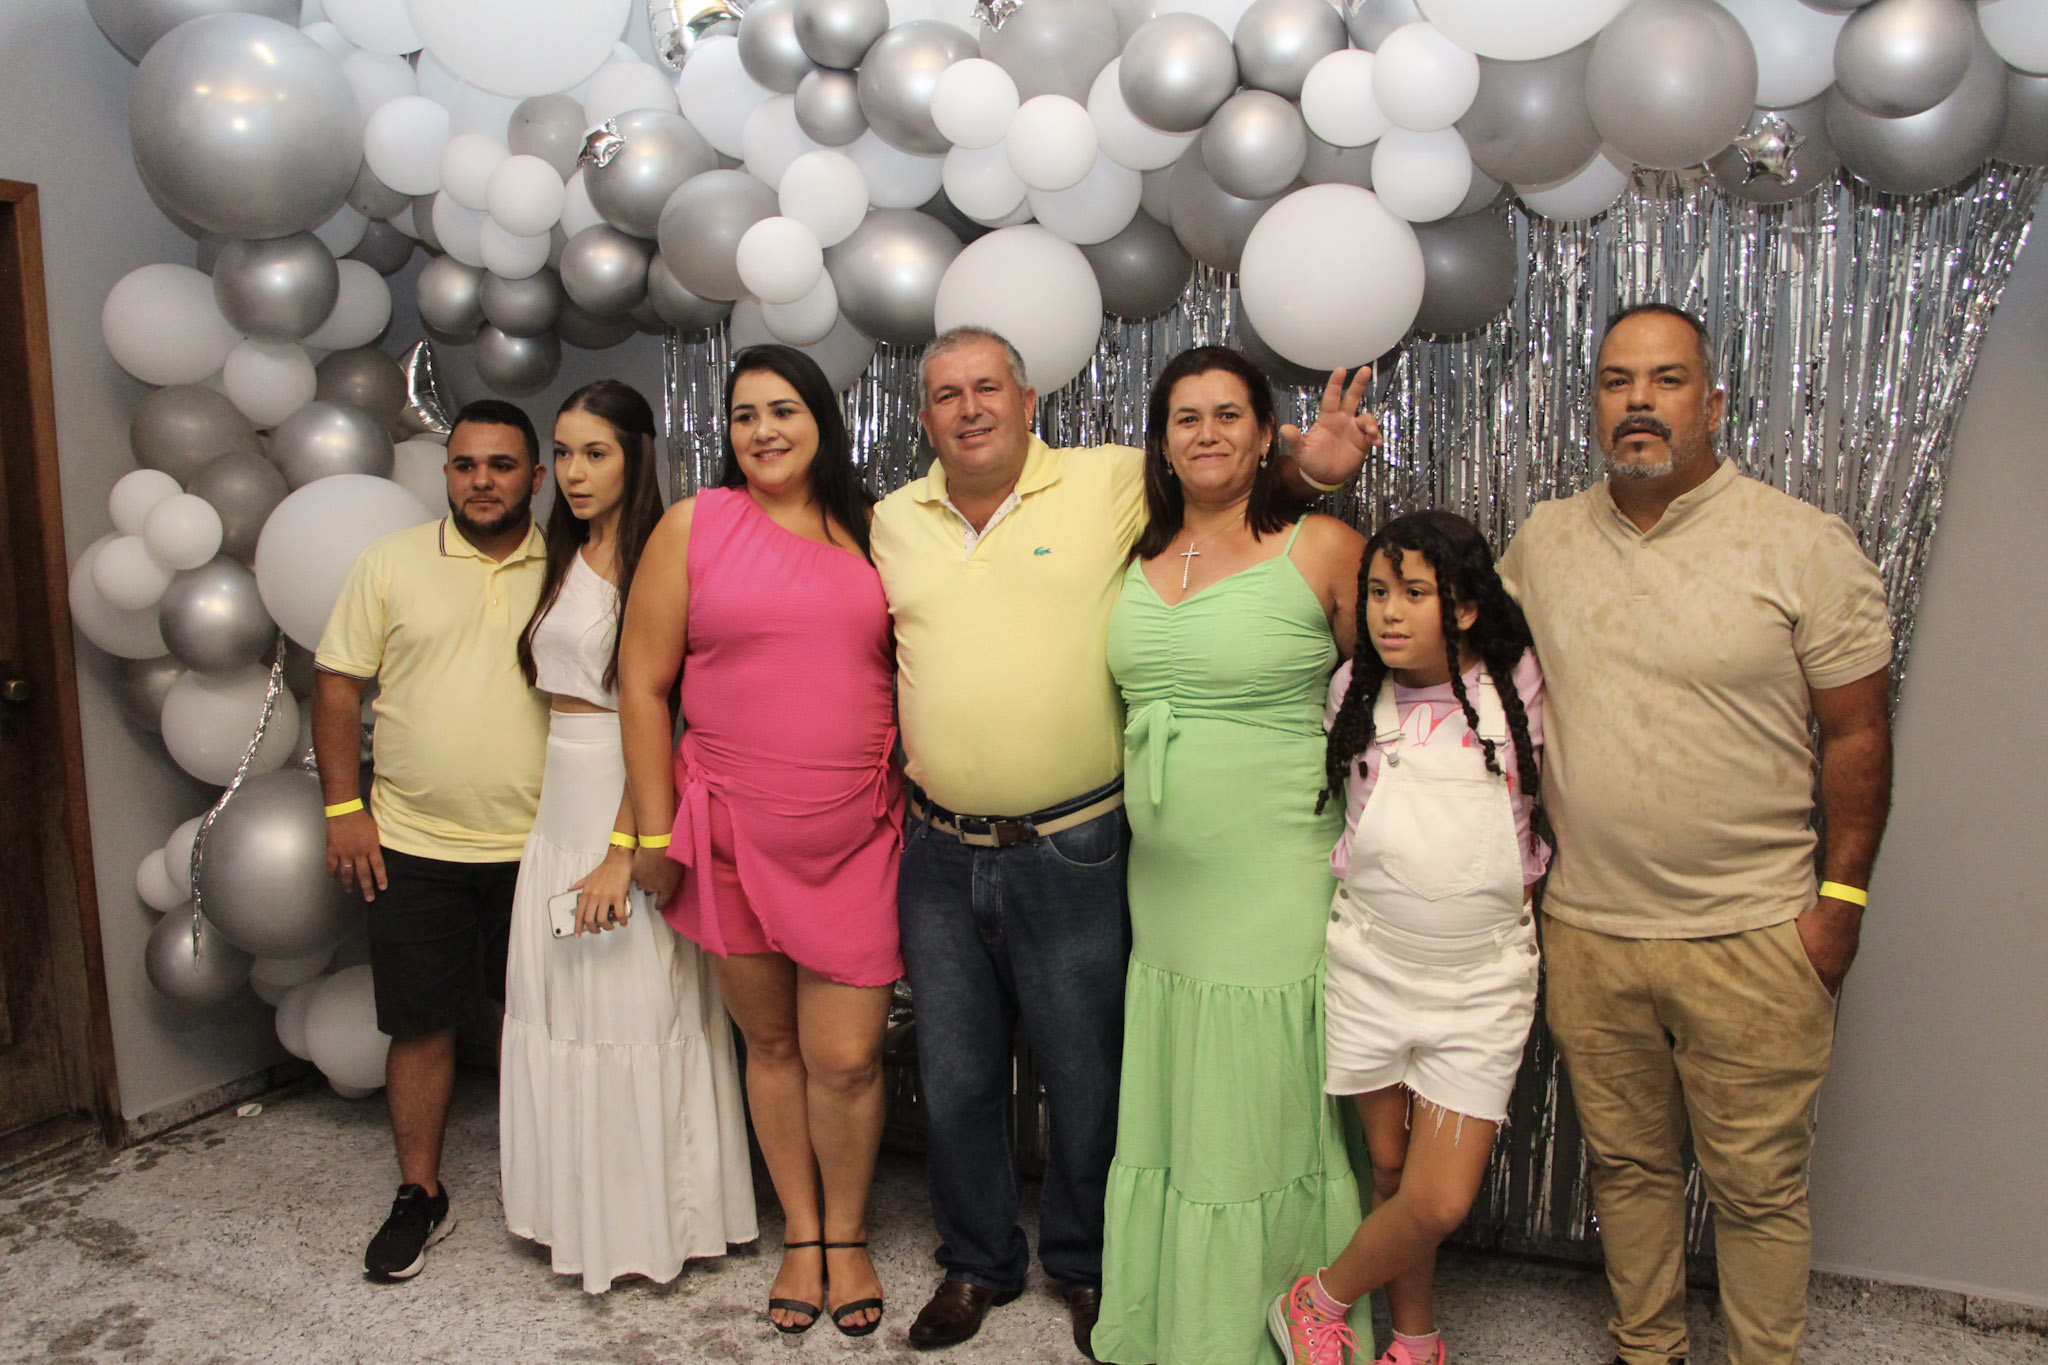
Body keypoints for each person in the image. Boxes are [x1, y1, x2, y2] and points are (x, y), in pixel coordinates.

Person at [872, 326, 1380, 1358]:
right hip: (939, 848)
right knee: (956, 1077)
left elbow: (1228, 480)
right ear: (922, 417)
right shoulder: (890, 521)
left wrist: (1311, 470)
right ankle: (975, 1262)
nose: (968, 408)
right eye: (945, 394)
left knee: (1087, 1075)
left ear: (1027, 401)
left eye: (987, 387)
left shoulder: (1104, 484)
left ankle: (1087, 1264)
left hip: (1076, 843)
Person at [1499, 303, 1893, 1365]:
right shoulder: (1543, 542)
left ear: (1711, 404)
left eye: (1666, 380)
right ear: (1594, 405)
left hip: (1754, 932)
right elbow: (1461, 668)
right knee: (1625, 1170)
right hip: (1590, 929)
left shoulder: (1799, 545)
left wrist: (1841, 903)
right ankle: (1648, 1349)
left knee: (1757, 1188)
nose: (1638, 401)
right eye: (1615, 381)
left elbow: (1857, 734)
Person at [1091, 347, 1368, 1365]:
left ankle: (1277, 1315)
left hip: (1276, 865)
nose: (1206, 433)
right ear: (1161, 443)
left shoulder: (1321, 546)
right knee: (1184, 1092)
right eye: (1185, 418)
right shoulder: (1130, 550)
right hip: (1163, 883)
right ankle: (1180, 1314)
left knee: (1257, 1092)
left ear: (1263, 436)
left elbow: (1407, 681)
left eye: (1227, 415)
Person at [617, 345, 901, 1338]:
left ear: (821, 420)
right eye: (744, 415)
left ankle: (851, 1229)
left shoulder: (878, 531)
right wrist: (651, 827)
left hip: (859, 835)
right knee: (772, 1044)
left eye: (783, 410)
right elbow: (642, 684)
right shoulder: (695, 526)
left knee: (848, 1057)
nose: (763, 430)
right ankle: (805, 1234)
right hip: (726, 830)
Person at [1268, 510, 1549, 1365]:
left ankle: (1315, 1298)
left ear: (1463, 606)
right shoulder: (1354, 692)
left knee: (1439, 1199)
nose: (1389, 612)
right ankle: (1417, 1341)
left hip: (1484, 979)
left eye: (1415, 593)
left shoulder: (1517, 684)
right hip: (1372, 963)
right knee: (1389, 1169)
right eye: (1379, 592)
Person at [498, 380, 756, 1291]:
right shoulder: (563, 554)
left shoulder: (660, 557)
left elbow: (666, 716)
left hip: (628, 808)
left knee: (635, 1015)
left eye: (595, 453)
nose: (573, 472)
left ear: (637, 456)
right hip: (557, 819)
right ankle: (575, 1213)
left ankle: (654, 1224)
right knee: (564, 1016)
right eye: (563, 453)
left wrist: (624, 848)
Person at [313, 399, 550, 1282]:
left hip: (541, 846)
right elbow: (337, 685)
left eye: (501, 464)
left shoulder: (572, 566)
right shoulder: (390, 563)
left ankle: (554, 1189)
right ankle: (420, 1193)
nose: (481, 480)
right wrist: (344, 809)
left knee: (539, 1026)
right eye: (465, 464)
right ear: (447, 473)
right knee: (418, 1025)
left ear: (536, 477)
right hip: (412, 842)